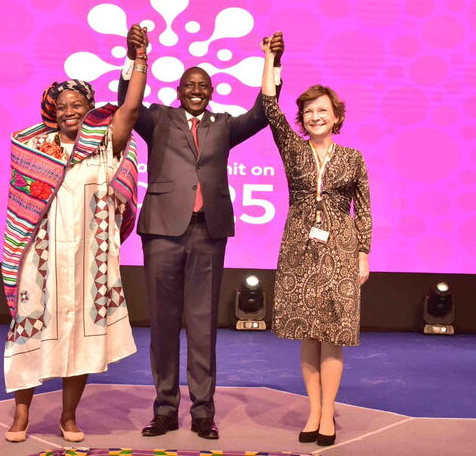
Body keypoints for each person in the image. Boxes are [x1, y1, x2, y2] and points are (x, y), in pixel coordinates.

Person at [117, 25, 284, 440]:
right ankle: (165, 409)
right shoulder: (157, 119)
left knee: (203, 323)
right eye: (190, 84)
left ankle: (204, 412)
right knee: (162, 323)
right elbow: (127, 103)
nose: (196, 90)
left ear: (210, 92)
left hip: (207, 232)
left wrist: (272, 62)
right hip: (162, 233)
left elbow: (263, 113)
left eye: (203, 86)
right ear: (178, 89)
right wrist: (135, 57)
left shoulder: (223, 125)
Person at [0, 29, 148, 443]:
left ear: (90, 108)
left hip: (90, 259)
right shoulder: (33, 147)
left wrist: (139, 59)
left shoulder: (104, 144)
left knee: (82, 338)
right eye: (62, 106)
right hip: (41, 260)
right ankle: (21, 415)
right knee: (28, 335)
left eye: (78, 105)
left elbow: (131, 111)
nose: (69, 111)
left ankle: (68, 416)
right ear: (52, 110)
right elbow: (22, 208)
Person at [260, 33, 372, 446]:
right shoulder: (293, 150)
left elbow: (364, 209)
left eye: (322, 110)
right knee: (308, 331)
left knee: (334, 332)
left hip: (341, 249)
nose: (315, 116)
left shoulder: (353, 158)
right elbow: (269, 106)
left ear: (336, 116)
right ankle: (313, 411)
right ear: (302, 118)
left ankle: (330, 414)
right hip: (300, 248)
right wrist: (271, 59)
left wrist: (363, 254)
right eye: (308, 111)